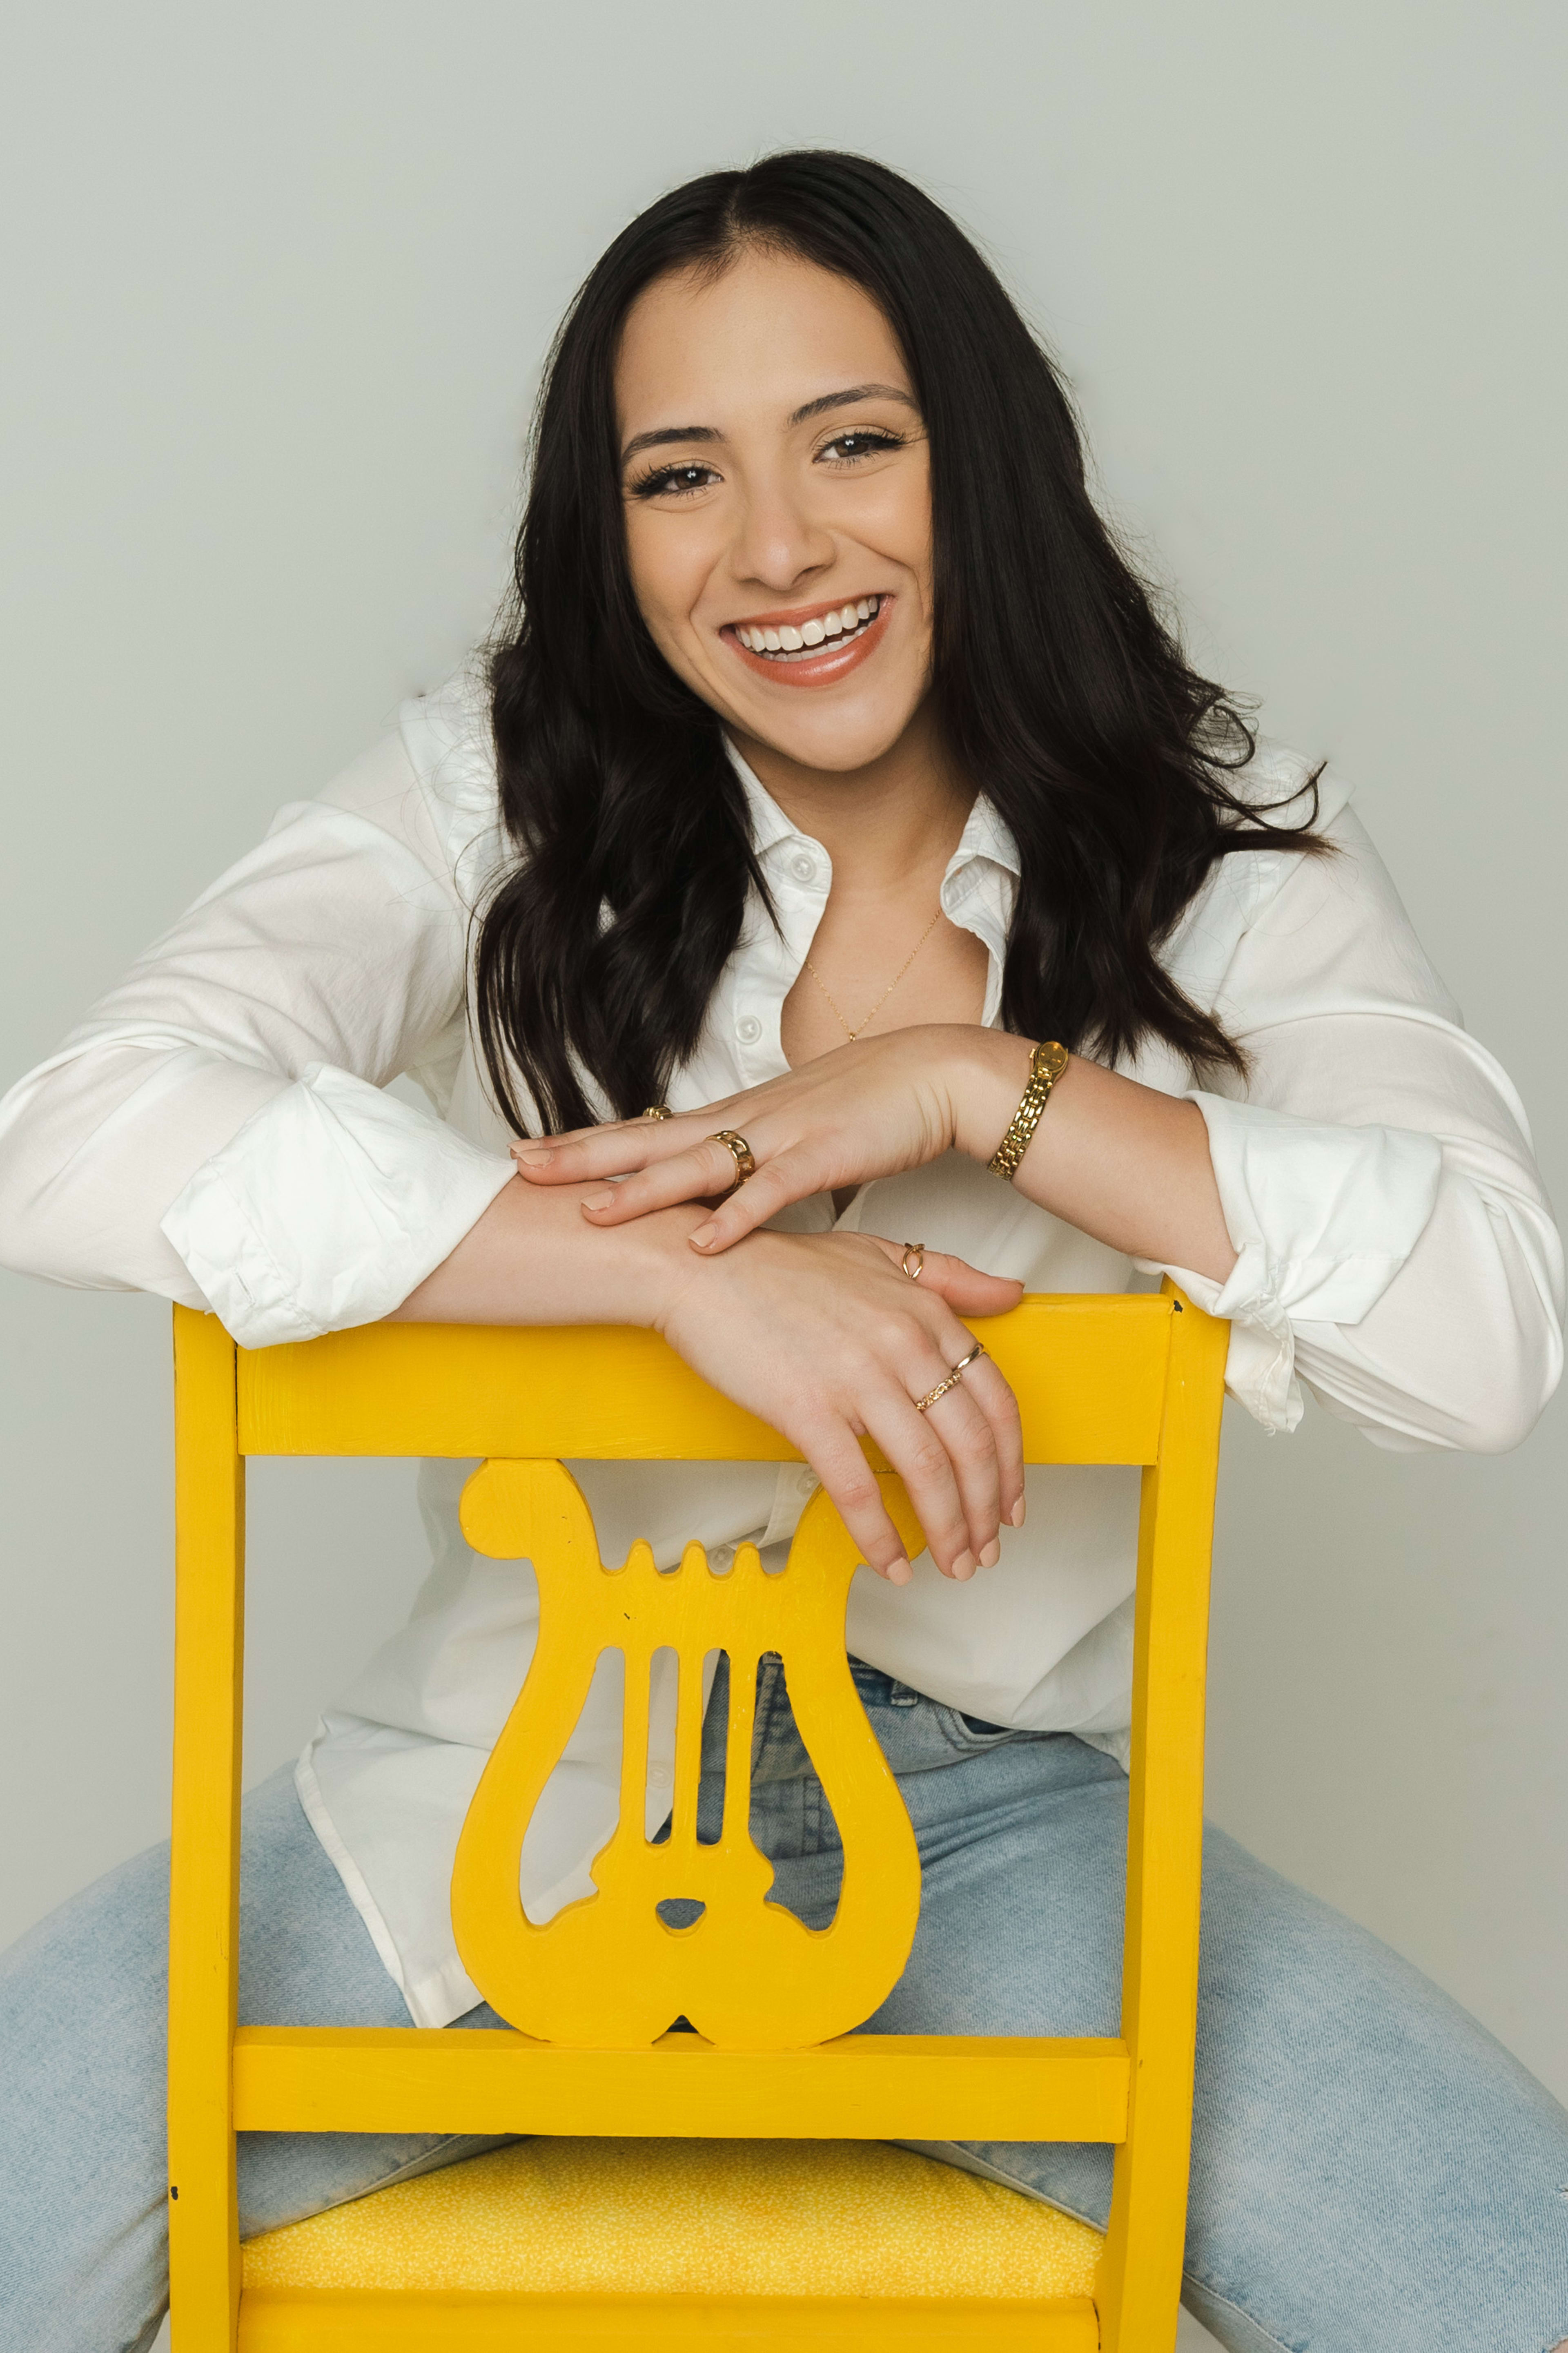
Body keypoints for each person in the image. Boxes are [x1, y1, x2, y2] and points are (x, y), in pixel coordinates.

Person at [0, 149, 1563, 2353]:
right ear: (609, 533)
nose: (778, 548)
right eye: (679, 477)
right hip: (519, 1773)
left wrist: (968, 1084)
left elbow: (1488, 1324)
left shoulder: (1223, 845)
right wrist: (679, 1272)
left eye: (854, 442)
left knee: (1521, 2280)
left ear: (978, 459)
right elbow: (79, 1126)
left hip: (1006, 1822)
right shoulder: (500, 791)